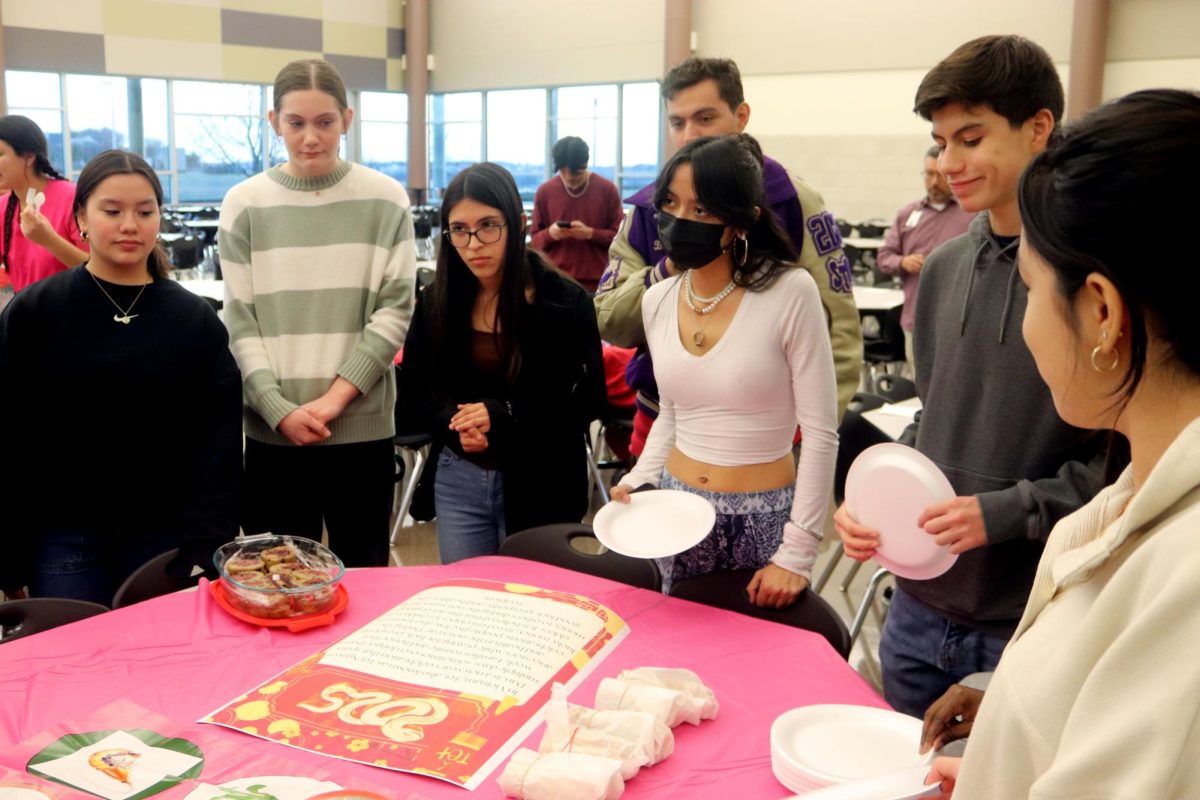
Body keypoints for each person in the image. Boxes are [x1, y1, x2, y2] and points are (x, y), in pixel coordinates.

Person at [924, 88, 1200, 800]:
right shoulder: (1140, 491)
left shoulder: (1185, 578)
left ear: (1102, 313)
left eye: (1033, 291)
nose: (1024, 328)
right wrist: (1008, 749)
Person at [833, 35, 1114, 717]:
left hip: (1026, 615)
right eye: (939, 142)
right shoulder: (948, 268)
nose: (948, 163)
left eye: (970, 138)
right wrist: (877, 499)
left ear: (1039, 128)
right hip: (917, 607)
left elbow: (1119, 471)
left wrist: (1007, 512)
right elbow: (937, 413)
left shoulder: (1089, 280)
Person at [0, 150, 241, 604]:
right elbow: (10, 434)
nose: (130, 224)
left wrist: (207, 543)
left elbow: (219, 443)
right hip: (64, 534)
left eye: (144, 212)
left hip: (164, 536)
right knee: (73, 665)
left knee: (160, 665)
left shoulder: (195, 320)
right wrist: (8, 553)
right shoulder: (36, 312)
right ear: (81, 219)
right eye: (112, 211)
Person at [610, 134, 838, 607]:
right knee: (674, 658)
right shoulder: (657, 299)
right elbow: (672, 415)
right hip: (675, 508)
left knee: (750, 668)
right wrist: (640, 477)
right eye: (670, 203)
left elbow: (820, 433)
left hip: (760, 519)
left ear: (740, 221)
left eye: (703, 210)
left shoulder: (790, 292)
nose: (679, 220)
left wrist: (798, 551)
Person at [594, 57, 860, 458]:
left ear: (741, 116)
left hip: (769, 430)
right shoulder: (649, 211)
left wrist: (816, 431)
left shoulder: (793, 201)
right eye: (677, 122)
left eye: (704, 118)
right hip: (665, 419)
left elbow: (836, 325)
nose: (688, 136)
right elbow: (609, 320)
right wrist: (669, 266)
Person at [220, 59, 416, 568]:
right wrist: (275, 406)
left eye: (325, 122)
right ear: (274, 122)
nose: (311, 137)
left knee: (367, 575)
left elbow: (395, 311)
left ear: (347, 120)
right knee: (276, 581)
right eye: (296, 123)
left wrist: (333, 399)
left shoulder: (385, 199)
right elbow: (240, 319)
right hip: (272, 433)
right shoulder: (244, 203)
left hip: (362, 430)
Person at [398, 162, 605, 562]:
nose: (474, 243)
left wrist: (501, 414)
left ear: (519, 223)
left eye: (488, 225)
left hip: (542, 477)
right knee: (469, 606)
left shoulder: (562, 301)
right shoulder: (436, 302)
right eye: (459, 229)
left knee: (535, 609)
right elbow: (412, 403)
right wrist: (457, 425)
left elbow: (587, 402)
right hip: (460, 477)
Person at [876, 145, 974, 373]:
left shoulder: (972, 215)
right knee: (916, 386)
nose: (934, 182)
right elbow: (884, 256)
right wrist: (903, 262)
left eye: (940, 175)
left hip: (958, 322)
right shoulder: (907, 214)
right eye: (928, 174)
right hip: (916, 317)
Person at [0, 115, 88, 310]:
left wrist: (48, 240)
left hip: (74, 315)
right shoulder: (3, 206)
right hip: (26, 316)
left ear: (29, 157)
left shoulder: (72, 197)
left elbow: (99, 269)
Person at [530, 136, 623, 293]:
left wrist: (590, 234)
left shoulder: (607, 190)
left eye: (574, 173)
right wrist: (550, 234)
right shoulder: (545, 192)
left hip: (598, 284)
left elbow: (620, 240)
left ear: (585, 165)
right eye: (563, 171)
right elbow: (535, 242)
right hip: (555, 282)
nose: (568, 177)